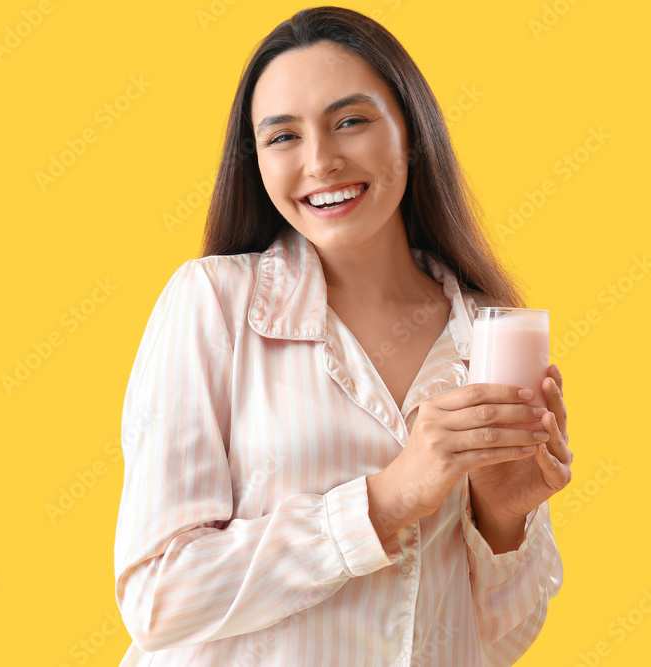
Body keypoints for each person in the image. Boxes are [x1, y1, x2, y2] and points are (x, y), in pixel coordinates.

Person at [113, 6, 571, 666]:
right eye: (282, 137)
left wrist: (504, 521)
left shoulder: (488, 333)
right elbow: (158, 596)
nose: (322, 161)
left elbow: (493, 644)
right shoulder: (213, 303)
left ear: (410, 130)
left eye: (350, 121)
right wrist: (384, 503)